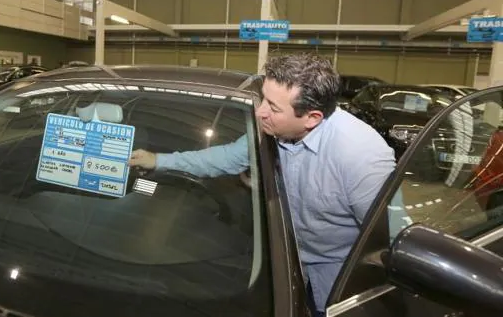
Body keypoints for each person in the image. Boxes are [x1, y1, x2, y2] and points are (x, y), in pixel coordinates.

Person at [130, 53, 398, 317]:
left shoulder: (362, 156)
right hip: (281, 262)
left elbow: (389, 242)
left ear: (312, 118)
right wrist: (158, 160)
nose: (260, 112)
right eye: (264, 100)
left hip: (337, 282)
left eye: (273, 106)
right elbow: (223, 158)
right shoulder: (274, 131)